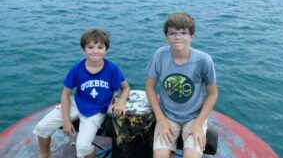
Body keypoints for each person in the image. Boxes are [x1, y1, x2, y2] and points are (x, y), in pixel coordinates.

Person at [33, 29, 130, 158]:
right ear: (83, 50)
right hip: (77, 103)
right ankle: (45, 155)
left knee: (83, 147)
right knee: (42, 128)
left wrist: (121, 102)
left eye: (100, 47)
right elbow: (65, 94)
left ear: (106, 50)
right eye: (90, 47)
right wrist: (66, 120)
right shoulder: (77, 69)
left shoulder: (112, 69)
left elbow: (126, 88)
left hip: (96, 110)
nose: (95, 51)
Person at [145, 12, 218, 158]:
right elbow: (149, 87)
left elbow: (213, 94)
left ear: (192, 36)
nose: (178, 37)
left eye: (183, 32)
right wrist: (160, 119)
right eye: (172, 33)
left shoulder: (204, 60)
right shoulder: (160, 55)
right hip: (167, 116)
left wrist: (198, 123)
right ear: (166, 36)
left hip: (194, 117)